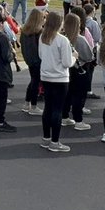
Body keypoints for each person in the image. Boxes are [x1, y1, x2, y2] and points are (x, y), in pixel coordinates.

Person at [38, 11, 73, 153]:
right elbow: (67, 62)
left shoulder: (43, 37)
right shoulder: (62, 40)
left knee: (48, 107)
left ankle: (46, 138)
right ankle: (55, 141)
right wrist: (74, 57)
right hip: (60, 78)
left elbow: (41, 55)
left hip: (46, 76)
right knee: (57, 109)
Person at [61, 13, 92, 131]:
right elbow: (88, 56)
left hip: (67, 70)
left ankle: (64, 116)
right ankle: (78, 120)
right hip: (80, 70)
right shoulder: (80, 39)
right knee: (79, 96)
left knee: (67, 94)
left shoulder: (62, 38)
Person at [19, 10, 45, 116]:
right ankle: (33, 106)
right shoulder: (39, 32)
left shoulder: (25, 31)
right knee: (36, 83)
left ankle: (27, 103)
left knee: (33, 81)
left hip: (29, 59)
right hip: (38, 60)